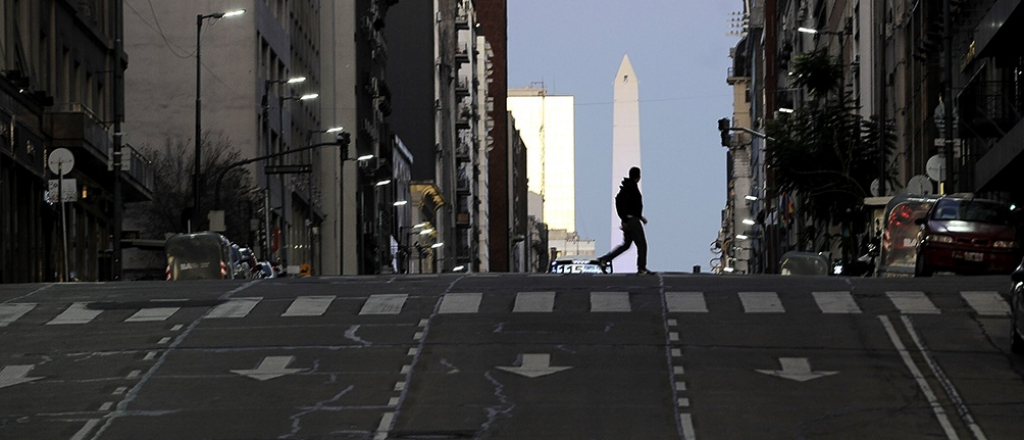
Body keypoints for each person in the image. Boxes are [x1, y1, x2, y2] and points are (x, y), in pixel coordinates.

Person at [598, 166, 653, 274]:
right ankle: (641, 268)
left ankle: (605, 259)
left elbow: (621, 202)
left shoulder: (627, 187)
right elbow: (629, 205)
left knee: (626, 245)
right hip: (632, 221)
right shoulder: (632, 188)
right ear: (638, 176)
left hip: (630, 219)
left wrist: (629, 218)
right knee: (642, 244)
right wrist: (626, 219)